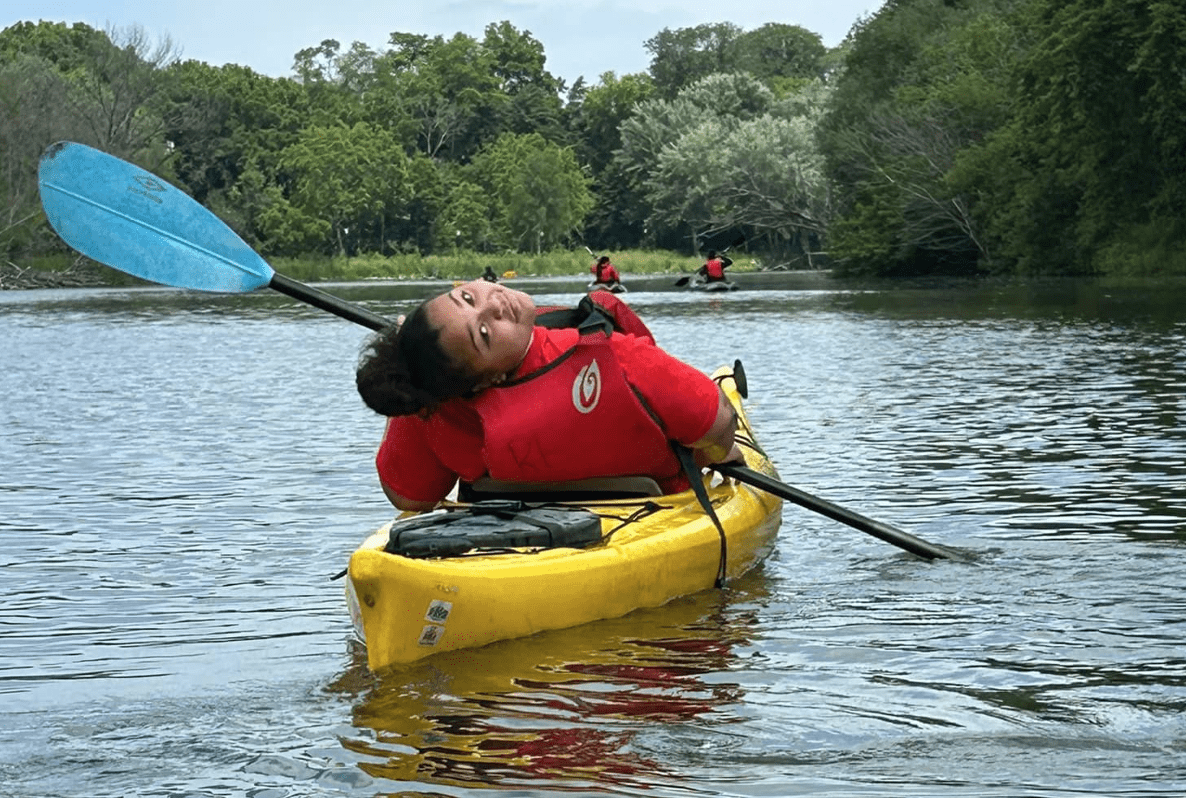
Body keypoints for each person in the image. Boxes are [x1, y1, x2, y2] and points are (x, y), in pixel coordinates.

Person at [355, 279, 743, 511]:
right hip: (650, 512)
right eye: (484, 334)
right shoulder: (618, 359)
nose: (493, 304)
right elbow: (719, 424)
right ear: (485, 382)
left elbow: (409, 496)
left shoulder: (440, 412)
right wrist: (720, 454)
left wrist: (415, 377)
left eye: (468, 298)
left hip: (510, 530)